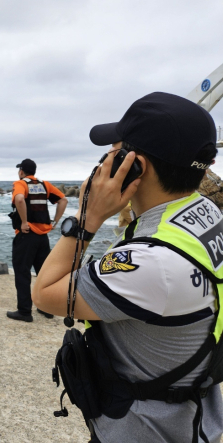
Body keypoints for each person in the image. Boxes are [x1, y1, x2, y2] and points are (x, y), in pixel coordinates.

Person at [33, 92, 223, 443]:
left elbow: (44, 294)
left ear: (136, 166)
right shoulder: (209, 217)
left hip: (145, 430)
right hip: (196, 421)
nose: (105, 158)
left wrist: (88, 216)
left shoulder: (152, 263)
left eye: (114, 150)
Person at [7, 158, 67, 322]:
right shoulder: (44, 184)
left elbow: (19, 199)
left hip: (26, 236)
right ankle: (46, 308)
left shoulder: (20, 184)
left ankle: (24, 312)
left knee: (22, 272)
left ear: (21, 171)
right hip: (43, 238)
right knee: (44, 273)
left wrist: (25, 222)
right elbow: (63, 200)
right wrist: (55, 221)